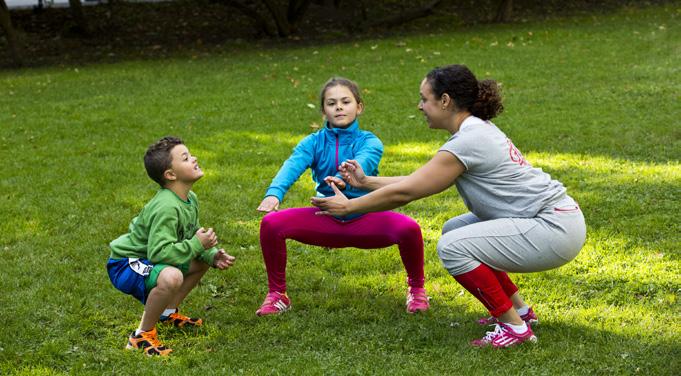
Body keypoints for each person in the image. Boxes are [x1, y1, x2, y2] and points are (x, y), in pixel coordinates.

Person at [311, 65, 586, 348]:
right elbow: (419, 180)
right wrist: (366, 181)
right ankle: (522, 313)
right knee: (455, 228)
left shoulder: (469, 140)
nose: (420, 106)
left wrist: (350, 207)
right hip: (556, 221)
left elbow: (406, 192)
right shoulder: (473, 132)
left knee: (454, 246)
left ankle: (514, 328)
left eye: (424, 99)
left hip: (553, 228)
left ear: (444, 101)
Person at [255, 77, 429, 316]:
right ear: (324, 111)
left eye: (345, 101)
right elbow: (292, 165)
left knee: (409, 229)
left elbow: (364, 162)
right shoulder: (313, 142)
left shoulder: (370, 141)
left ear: (359, 107)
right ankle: (277, 295)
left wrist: (341, 177)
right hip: (326, 216)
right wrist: (274, 194)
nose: (339, 107)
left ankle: (417, 290)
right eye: (331, 103)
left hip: (364, 215)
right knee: (271, 224)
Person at [107, 136, 236, 356]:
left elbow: (190, 232)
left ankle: (166, 314)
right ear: (171, 175)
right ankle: (141, 336)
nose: (194, 159)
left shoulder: (189, 198)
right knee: (172, 276)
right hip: (126, 263)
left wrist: (212, 254)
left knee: (200, 261)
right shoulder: (166, 207)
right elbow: (159, 252)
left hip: (148, 257)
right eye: (186, 158)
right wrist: (197, 244)